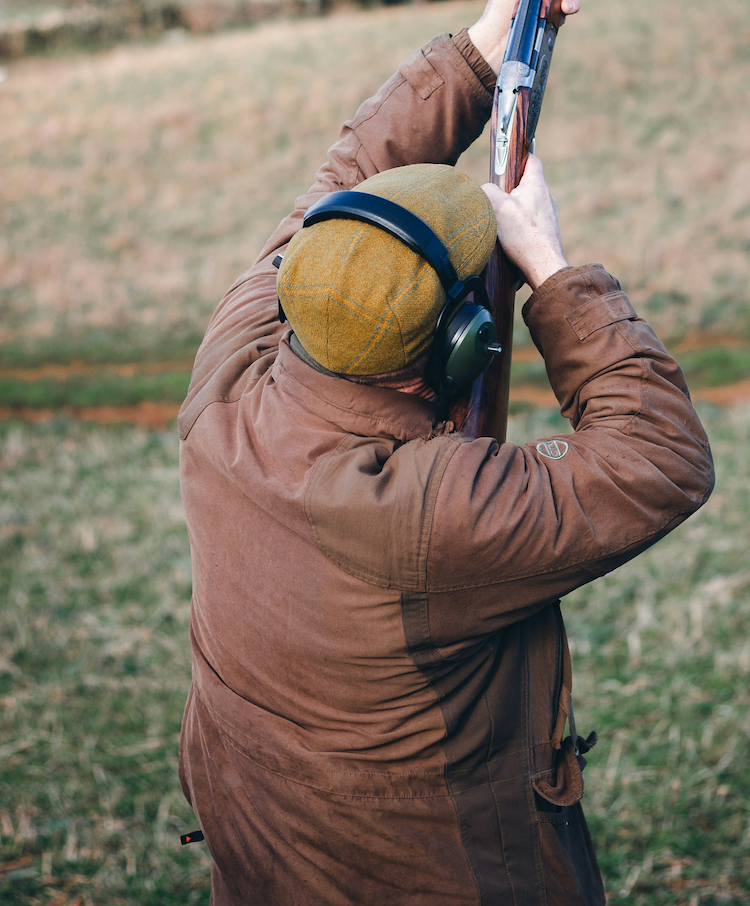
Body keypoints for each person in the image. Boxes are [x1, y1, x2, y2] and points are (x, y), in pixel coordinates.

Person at [177, 0, 714, 902]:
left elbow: (341, 184)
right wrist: (549, 269)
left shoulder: (230, 370)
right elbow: (661, 456)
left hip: (265, 853)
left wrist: (491, 38)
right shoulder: (429, 512)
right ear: (462, 344)